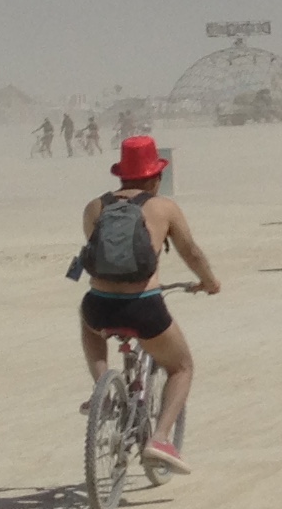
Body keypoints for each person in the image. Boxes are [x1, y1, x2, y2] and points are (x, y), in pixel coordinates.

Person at [77, 135, 221, 476]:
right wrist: (210, 283)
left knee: (87, 319)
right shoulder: (164, 207)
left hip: (99, 304)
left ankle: (103, 389)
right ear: (155, 176)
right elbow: (192, 253)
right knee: (181, 366)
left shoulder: (94, 206)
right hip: (143, 307)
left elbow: (99, 255)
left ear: (122, 175)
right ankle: (159, 438)